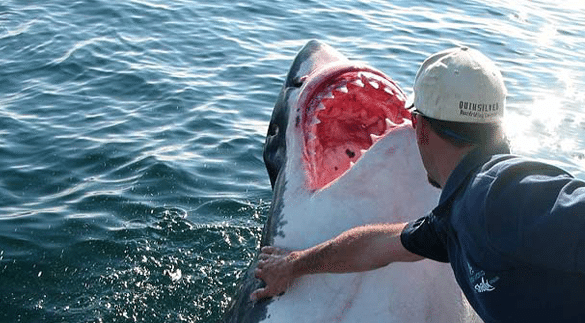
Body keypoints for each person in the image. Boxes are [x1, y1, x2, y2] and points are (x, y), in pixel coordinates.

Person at [250, 46, 585, 322]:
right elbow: (377, 246)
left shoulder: (498, 192)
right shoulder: (457, 214)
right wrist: (296, 264)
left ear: (419, 127)